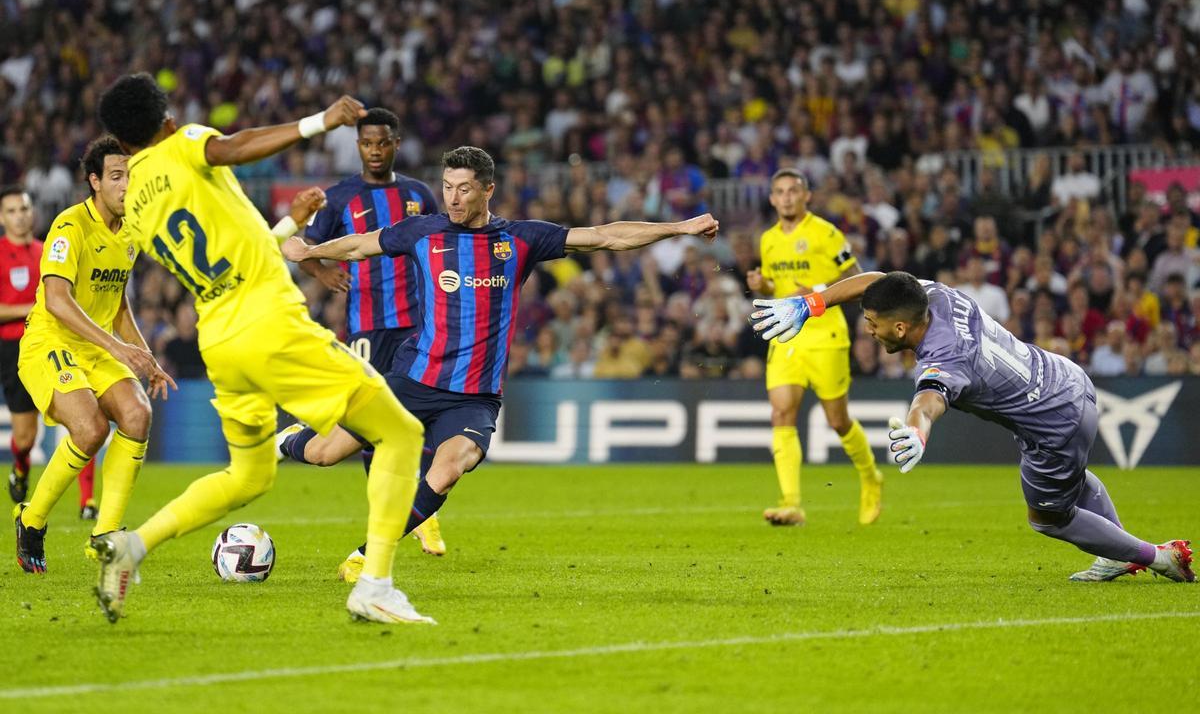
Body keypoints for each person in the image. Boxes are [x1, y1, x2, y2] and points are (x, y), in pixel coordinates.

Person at [280, 146, 719, 582]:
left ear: (488, 190)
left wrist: (680, 227)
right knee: (323, 454)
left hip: (474, 397)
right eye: (447, 188)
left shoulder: (520, 240)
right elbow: (361, 244)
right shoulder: (422, 232)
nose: (452, 199)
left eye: (464, 189)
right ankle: (285, 441)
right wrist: (309, 251)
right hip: (412, 380)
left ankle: (367, 555)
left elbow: (606, 235)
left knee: (448, 469)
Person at [93, 72, 430, 625]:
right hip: (270, 322)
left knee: (249, 476)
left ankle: (132, 546)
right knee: (401, 432)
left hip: (221, 340)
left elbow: (228, 251)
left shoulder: (134, 204)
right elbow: (234, 147)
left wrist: (289, 222)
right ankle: (375, 584)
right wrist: (320, 121)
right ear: (167, 119)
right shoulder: (185, 146)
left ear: (122, 142)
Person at [751, 271, 1194, 583]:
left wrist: (917, 430)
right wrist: (812, 304)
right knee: (1069, 483)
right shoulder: (934, 295)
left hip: (1055, 423)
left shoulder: (944, 356)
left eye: (872, 323)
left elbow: (929, 400)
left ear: (901, 327)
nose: (868, 330)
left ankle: (1156, 557)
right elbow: (876, 281)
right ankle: (1112, 555)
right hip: (1068, 378)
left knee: (1048, 517)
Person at [13, 137, 176, 574]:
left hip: (96, 344)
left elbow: (118, 303)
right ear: (95, 181)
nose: (127, 185)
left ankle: (105, 534)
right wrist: (117, 348)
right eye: (118, 176)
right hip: (51, 341)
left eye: (132, 176)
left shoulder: (130, 232)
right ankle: (31, 521)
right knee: (89, 429)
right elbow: (57, 300)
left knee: (138, 415)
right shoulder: (70, 227)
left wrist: (145, 356)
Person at [287, 106, 443, 554]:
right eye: (367, 143)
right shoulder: (340, 197)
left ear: (396, 143)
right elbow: (297, 245)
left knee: (420, 415)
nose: (375, 151)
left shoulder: (418, 194)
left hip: (418, 324)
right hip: (367, 327)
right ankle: (397, 515)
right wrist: (321, 273)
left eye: (383, 142)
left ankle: (422, 514)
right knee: (372, 423)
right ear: (358, 146)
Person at [745, 169, 882, 527]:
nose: (787, 197)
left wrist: (818, 288)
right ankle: (791, 503)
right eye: (780, 192)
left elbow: (858, 275)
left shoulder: (825, 233)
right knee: (781, 414)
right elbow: (778, 288)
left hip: (826, 336)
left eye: (794, 190)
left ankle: (870, 477)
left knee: (837, 421)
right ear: (772, 199)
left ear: (807, 196)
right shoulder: (768, 240)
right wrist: (763, 284)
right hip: (786, 337)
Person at [0, 187, 49, 506]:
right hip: (10, 348)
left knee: (84, 422)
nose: (20, 216)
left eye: (24, 208)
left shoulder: (47, 252)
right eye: (12, 211)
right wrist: (31, 309)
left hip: (47, 343)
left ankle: (88, 504)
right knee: (24, 436)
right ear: (2, 218)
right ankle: (20, 469)